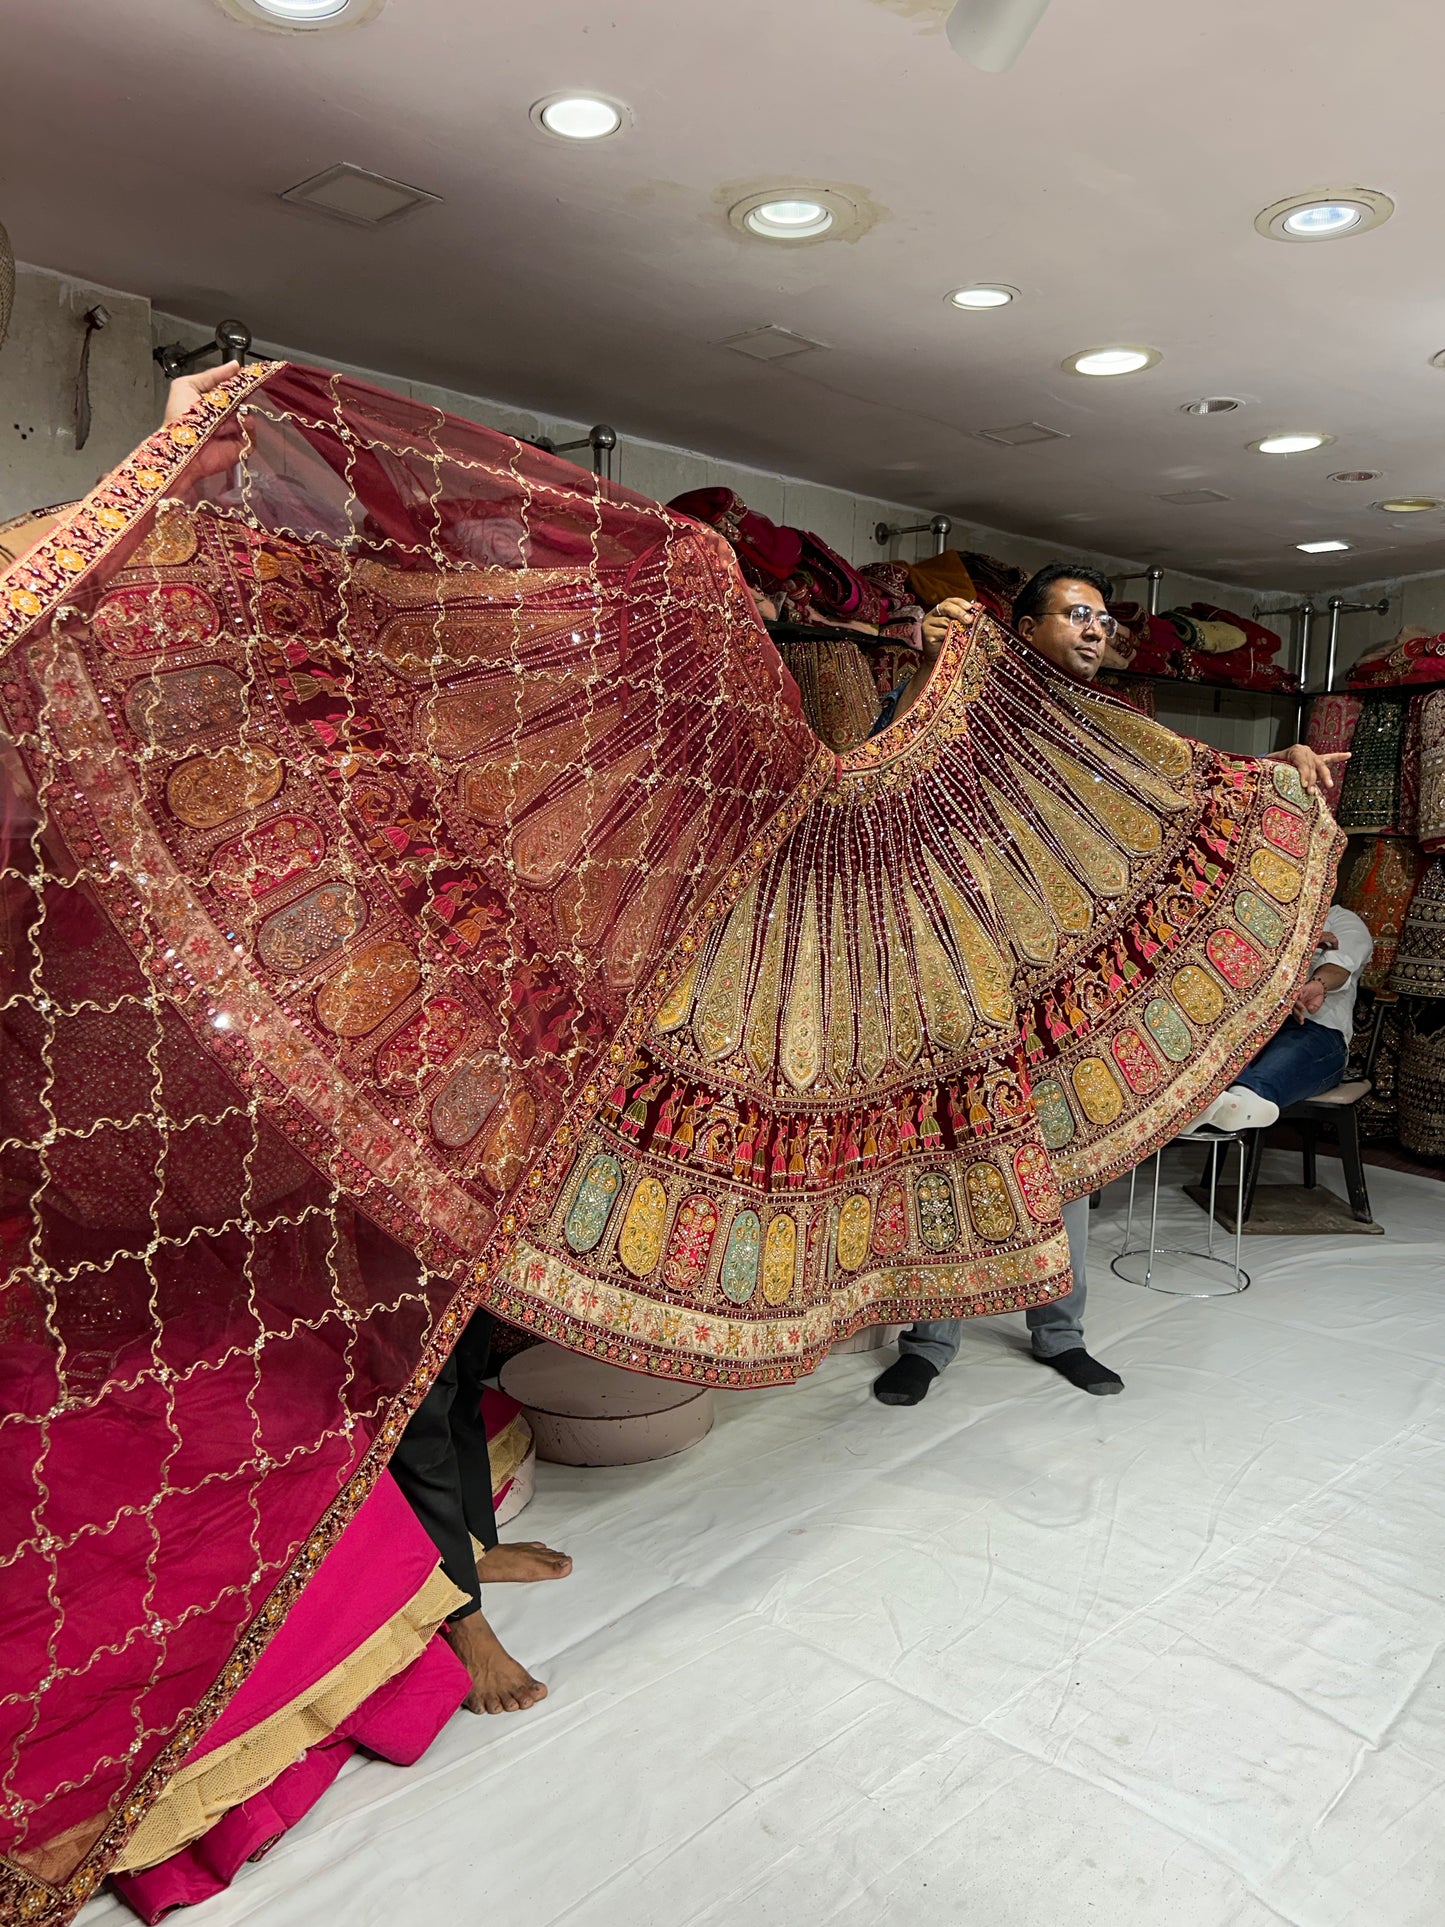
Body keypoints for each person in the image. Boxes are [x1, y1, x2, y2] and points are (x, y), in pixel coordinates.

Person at [873, 562, 1348, 1408]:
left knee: (1067, 1145)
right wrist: (923, 668)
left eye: (1101, 617)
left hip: (1072, 976)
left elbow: (1192, 793)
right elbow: (884, 770)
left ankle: (1060, 1331)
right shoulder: (964, 697)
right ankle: (927, 1339)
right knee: (949, 1149)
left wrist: (1279, 768)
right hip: (963, 966)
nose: (1096, 629)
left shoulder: (1114, 725)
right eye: (1076, 614)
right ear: (1024, 628)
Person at [1195, 904, 1371, 1130]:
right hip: (1251, 1027)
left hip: (1315, 1030)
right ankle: (1220, 1105)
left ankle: (1240, 1102)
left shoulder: (1343, 919)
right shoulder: (1250, 912)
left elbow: (1338, 967)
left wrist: (1317, 984)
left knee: (1286, 1056)